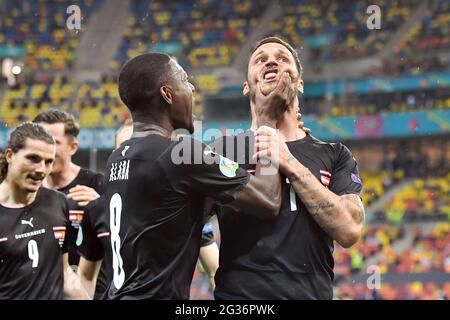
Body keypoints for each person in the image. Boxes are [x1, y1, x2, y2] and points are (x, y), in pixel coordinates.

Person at [102, 52, 289, 299]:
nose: (191, 88)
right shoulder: (181, 154)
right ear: (167, 94)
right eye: (184, 80)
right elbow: (267, 201)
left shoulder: (117, 158)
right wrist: (266, 121)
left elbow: (169, 214)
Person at [211, 37, 365, 300]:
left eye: (282, 58)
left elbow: (350, 230)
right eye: (260, 59)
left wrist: (288, 161)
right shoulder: (223, 151)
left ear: (300, 84)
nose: (271, 61)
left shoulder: (334, 154)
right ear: (247, 87)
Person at [76, 119, 220, 298]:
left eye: (140, 146)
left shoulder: (182, 208)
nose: (133, 153)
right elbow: (85, 275)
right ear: (115, 154)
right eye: (125, 146)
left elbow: (214, 269)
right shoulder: (96, 209)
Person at [0, 122, 89, 299]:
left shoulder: (57, 202)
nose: (41, 169)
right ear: (10, 155)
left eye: (49, 161)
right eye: (33, 158)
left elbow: (65, 275)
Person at [32, 109, 104, 267]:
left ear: (72, 147)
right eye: (39, 141)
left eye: (53, 142)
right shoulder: (27, 190)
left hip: (88, 286)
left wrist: (101, 207)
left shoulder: (97, 184)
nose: (44, 149)